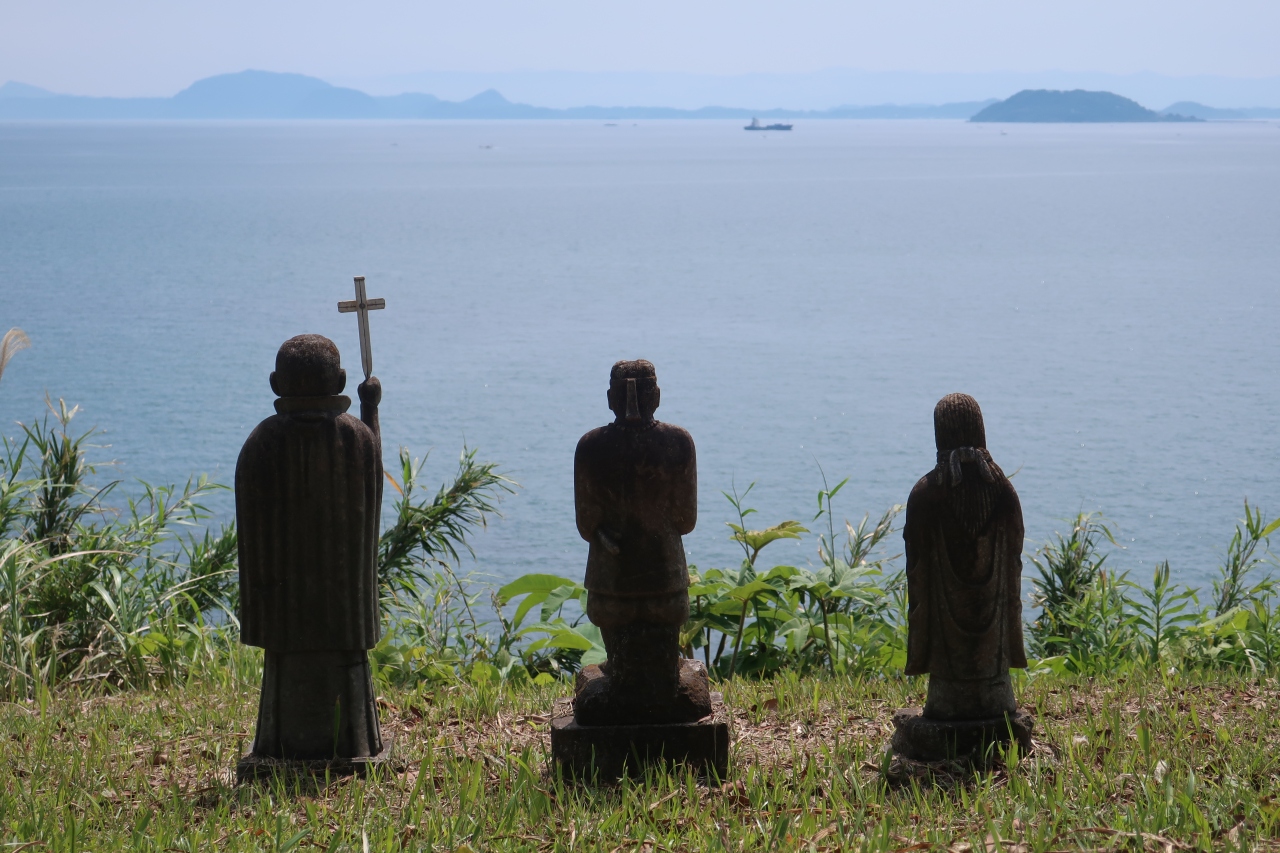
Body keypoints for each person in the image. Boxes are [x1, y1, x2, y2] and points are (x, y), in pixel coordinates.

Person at [236, 333, 384, 760]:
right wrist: (371, 409)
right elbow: (373, 481)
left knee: (284, 675)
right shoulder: (355, 437)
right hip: (343, 607)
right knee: (346, 670)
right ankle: (356, 746)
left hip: (284, 611)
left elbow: (252, 522)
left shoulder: (262, 441)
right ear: (340, 380)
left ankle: (276, 750)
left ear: (275, 383)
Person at [572, 359, 708, 725]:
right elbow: (686, 520)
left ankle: (619, 676)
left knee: (618, 656)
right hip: (665, 579)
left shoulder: (591, 446)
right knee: (664, 652)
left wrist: (612, 535)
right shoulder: (678, 443)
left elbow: (587, 525)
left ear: (610, 398)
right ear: (656, 397)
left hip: (611, 582)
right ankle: (665, 680)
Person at [903, 392, 1028, 721]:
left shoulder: (926, 493)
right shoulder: (1003, 491)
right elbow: (1014, 551)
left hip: (947, 657)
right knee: (993, 683)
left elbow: (916, 563)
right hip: (994, 649)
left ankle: (950, 706)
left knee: (948, 690)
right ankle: (994, 699)